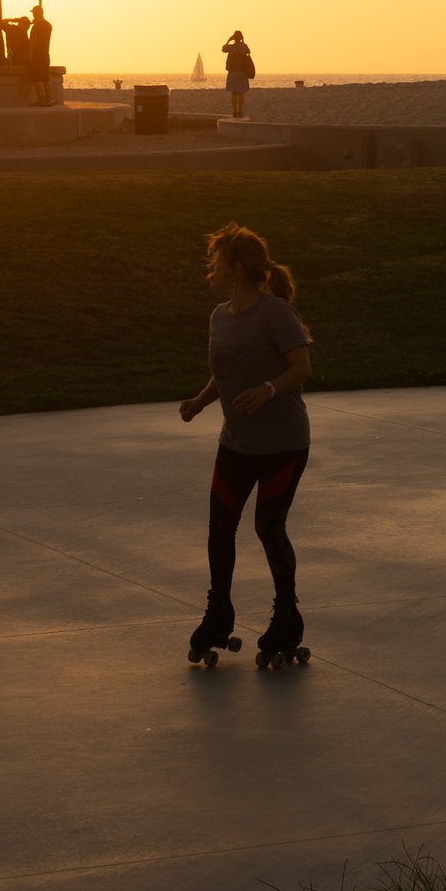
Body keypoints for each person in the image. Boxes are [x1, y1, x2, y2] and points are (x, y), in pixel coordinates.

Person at [178, 224, 316, 668]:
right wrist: (200, 401)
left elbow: (301, 367)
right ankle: (219, 612)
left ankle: (287, 617)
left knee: (268, 528)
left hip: (282, 444)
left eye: (216, 262)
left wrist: (267, 390)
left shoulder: (275, 313)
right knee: (220, 527)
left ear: (237, 269)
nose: (211, 270)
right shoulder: (219, 316)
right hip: (236, 443)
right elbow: (225, 369)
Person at [221, 30, 255, 119]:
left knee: (234, 93)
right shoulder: (244, 46)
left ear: (234, 38)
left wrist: (228, 40)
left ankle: (235, 111)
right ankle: (240, 111)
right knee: (241, 93)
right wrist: (243, 42)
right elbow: (248, 51)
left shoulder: (231, 47)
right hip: (242, 73)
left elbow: (223, 49)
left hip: (232, 72)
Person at [25, 1, 54, 105]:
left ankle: (41, 100)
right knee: (45, 78)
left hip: (37, 56)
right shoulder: (48, 25)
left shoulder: (36, 27)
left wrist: (30, 55)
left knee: (37, 78)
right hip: (45, 54)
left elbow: (34, 41)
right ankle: (48, 99)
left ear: (35, 13)